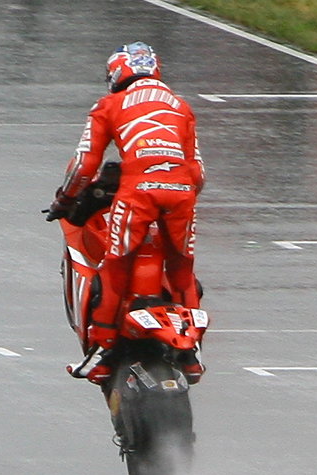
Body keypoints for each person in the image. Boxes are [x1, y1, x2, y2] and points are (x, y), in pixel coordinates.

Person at [48, 42, 206, 383]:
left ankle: (102, 352)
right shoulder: (181, 106)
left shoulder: (109, 104)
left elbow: (84, 164)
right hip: (181, 192)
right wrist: (179, 191)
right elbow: (197, 172)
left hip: (138, 193)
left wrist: (64, 199)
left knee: (115, 267)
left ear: (116, 74)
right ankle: (191, 354)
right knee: (182, 269)